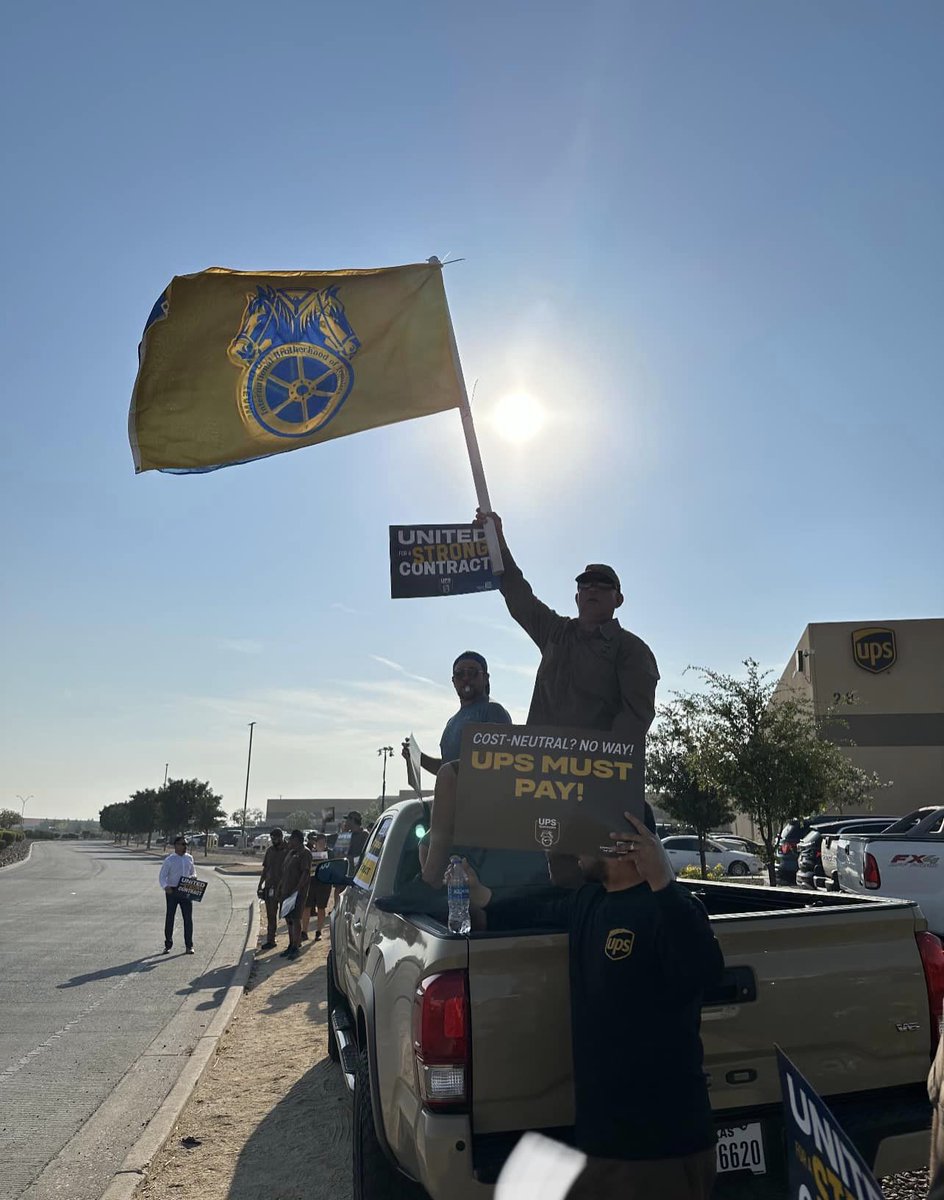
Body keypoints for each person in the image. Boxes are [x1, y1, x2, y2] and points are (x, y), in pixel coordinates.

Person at [468, 810, 723, 1200]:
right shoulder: (590, 902)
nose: (575, 850)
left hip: (662, 1148)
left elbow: (704, 973)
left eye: (582, 838)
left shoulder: (672, 909)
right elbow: (530, 909)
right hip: (602, 1143)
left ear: (622, 843)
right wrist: (479, 896)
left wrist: (662, 880)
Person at [474, 510, 659, 737]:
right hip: (534, 764)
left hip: (594, 768)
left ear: (618, 599)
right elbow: (518, 595)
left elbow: (632, 723)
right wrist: (497, 541)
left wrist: (594, 763)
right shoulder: (555, 631)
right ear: (576, 597)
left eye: (603, 584)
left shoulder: (633, 650)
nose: (592, 588)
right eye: (585, 584)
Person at [402, 651, 512, 779]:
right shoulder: (451, 721)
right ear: (453, 681)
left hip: (479, 797)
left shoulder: (493, 710)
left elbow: (500, 765)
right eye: (460, 674)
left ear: (486, 678)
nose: (465, 678)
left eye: (472, 672)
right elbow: (446, 768)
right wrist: (418, 757)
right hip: (454, 797)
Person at [278, 829, 313, 960]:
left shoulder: (305, 853)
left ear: (297, 839)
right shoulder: (291, 853)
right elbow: (285, 871)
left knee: (295, 918)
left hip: (297, 893)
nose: (289, 842)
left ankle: (296, 947)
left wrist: (297, 889)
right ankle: (290, 944)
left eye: (291, 839)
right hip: (286, 891)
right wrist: (281, 887)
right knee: (288, 919)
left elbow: (305, 873)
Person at [159, 836, 197, 955]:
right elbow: (162, 876)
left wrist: (193, 877)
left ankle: (189, 945)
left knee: (188, 918)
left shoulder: (189, 858)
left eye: (186, 844)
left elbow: (193, 872)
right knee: (170, 917)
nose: (185, 847)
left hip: (186, 889)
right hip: (172, 891)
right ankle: (168, 944)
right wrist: (166, 887)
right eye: (182, 844)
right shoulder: (170, 860)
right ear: (176, 845)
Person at [257, 827, 289, 950]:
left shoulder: (288, 850)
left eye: (275, 838)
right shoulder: (270, 851)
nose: (273, 840)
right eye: (272, 838)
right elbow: (265, 868)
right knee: (271, 914)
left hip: (285, 888)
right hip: (270, 886)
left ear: (281, 837)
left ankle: (293, 942)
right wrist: (260, 884)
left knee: (288, 915)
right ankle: (271, 940)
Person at [301, 832, 330, 942]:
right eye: (317, 841)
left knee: (321, 908)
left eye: (322, 842)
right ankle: (304, 932)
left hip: (324, 884)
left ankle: (318, 931)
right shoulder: (309, 853)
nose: (319, 844)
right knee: (306, 907)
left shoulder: (329, 853)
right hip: (311, 883)